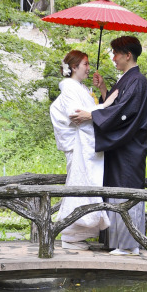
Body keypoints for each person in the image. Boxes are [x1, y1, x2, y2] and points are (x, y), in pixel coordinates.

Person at [71, 35, 147, 255]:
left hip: (129, 148)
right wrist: (104, 88)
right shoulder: (127, 78)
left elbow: (123, 112)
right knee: (116, 190)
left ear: (128, 55)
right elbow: (113, 104)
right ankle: (121, 242)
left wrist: (92, 116)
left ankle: (128, 244)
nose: (113, 57)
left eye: (116, 53)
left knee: (126, 190)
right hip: (120, 146)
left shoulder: (137, 80)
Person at [48, 50, 112, 249]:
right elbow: (77, 116)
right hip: (79, 146)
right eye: (85, 64)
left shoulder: (79, 87)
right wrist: (108, 104)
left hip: (86, 146)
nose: (88, 68)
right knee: (79, 188)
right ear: (74, 67)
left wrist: (102, 90)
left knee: (87, 187)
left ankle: (78, 234)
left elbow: (89, 114)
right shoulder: (69, 88)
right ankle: (69, 234)